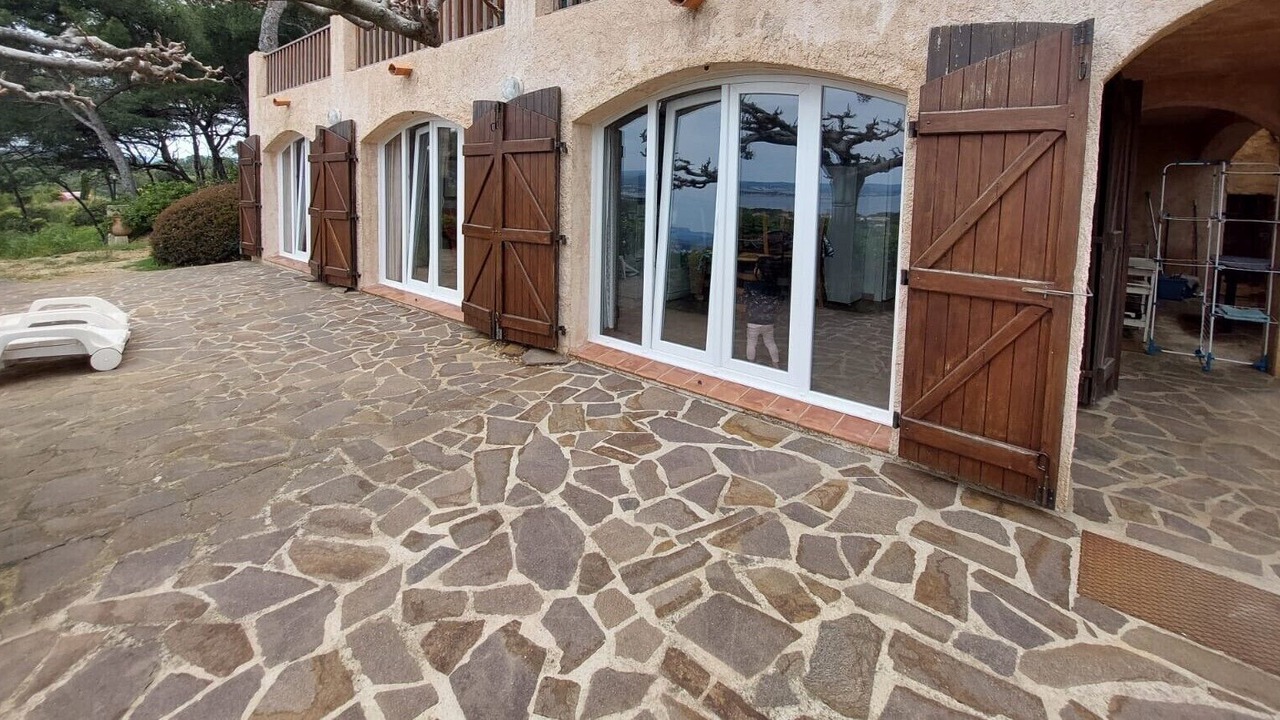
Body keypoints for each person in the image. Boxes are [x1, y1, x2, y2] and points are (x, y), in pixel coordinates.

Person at [743, 256, 783, 368]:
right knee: (770, 342)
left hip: (753, 321)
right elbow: (778, 304)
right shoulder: (776, 288)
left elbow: (745, 300)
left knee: (751, 343)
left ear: (758, 271)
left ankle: (751, 363)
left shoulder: (750, 286)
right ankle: (776, 363)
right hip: (769, 322)